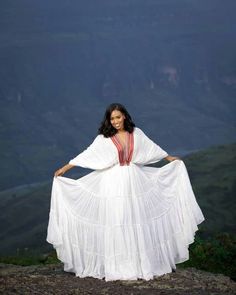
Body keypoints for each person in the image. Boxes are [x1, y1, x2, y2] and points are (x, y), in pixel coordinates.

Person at [46, 102, 205, 282]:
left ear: (125, 117)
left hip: (134, 181)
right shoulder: (104, 138)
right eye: (112, 118)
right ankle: (118, 265)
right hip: (113, 183)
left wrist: (169, 158)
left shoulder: (135, 133)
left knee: (135, 219)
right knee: (117, 219)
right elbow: (88, 154)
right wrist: (65, 168)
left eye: (118, 117)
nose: (115, 121)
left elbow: (151, 147)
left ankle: (139, 264)